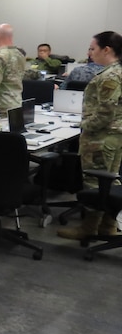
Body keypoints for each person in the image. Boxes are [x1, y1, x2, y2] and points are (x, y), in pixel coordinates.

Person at [57, 32, 122, 241]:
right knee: (109, 182)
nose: (90, 53)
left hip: (100, 137)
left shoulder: (110, 76)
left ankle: (89, 228)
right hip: (114, 136)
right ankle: (107, 226)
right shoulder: (117, 72)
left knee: (95, 182)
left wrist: (84, 125)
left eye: (93, 48)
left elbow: (106, 112)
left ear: (107, 50)